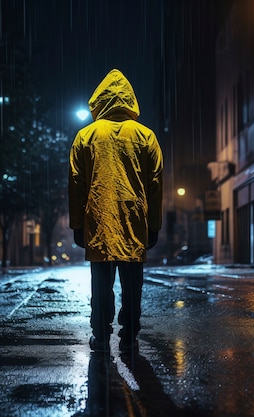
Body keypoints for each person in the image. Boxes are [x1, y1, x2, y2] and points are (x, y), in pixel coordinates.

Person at [68, 69, 163, 353]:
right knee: (132, 281)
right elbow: (155, 183)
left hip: (99, 217)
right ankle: (130, 332)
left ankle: (101, 331)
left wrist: (77, 224)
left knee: (101, 281)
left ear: (100, 99)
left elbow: (77, 184)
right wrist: (154, 224)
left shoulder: (86, 136)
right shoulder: (146, 136)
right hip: (134, 218)